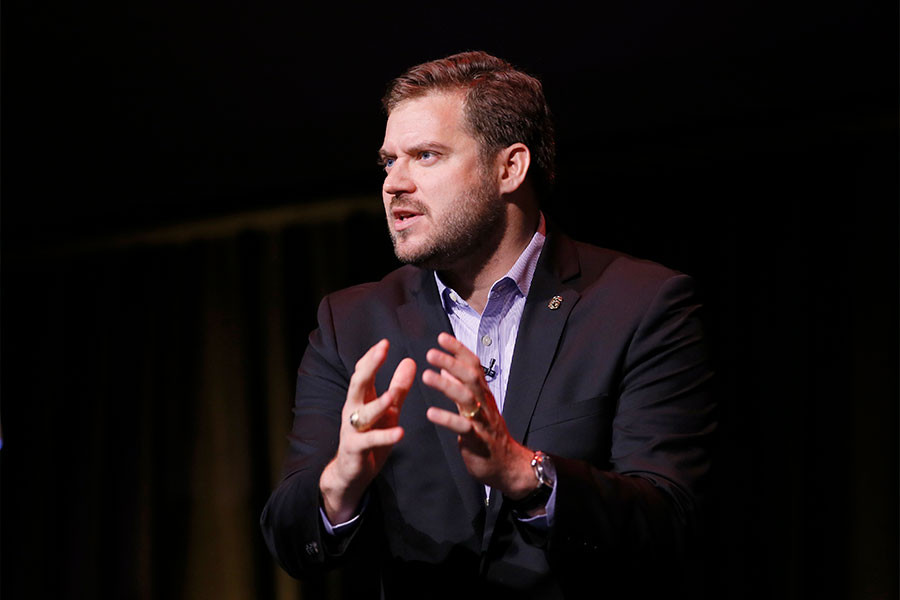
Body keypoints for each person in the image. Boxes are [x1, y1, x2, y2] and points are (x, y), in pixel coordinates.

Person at [261, 51, 715, 599]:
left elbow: (671, 519)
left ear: (510, 168)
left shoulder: (639, 304)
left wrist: (527, 474)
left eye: (425, 156)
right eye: (388, 161)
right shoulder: (351, 323)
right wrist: (339, 482)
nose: (393, 184)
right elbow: (288, 540)